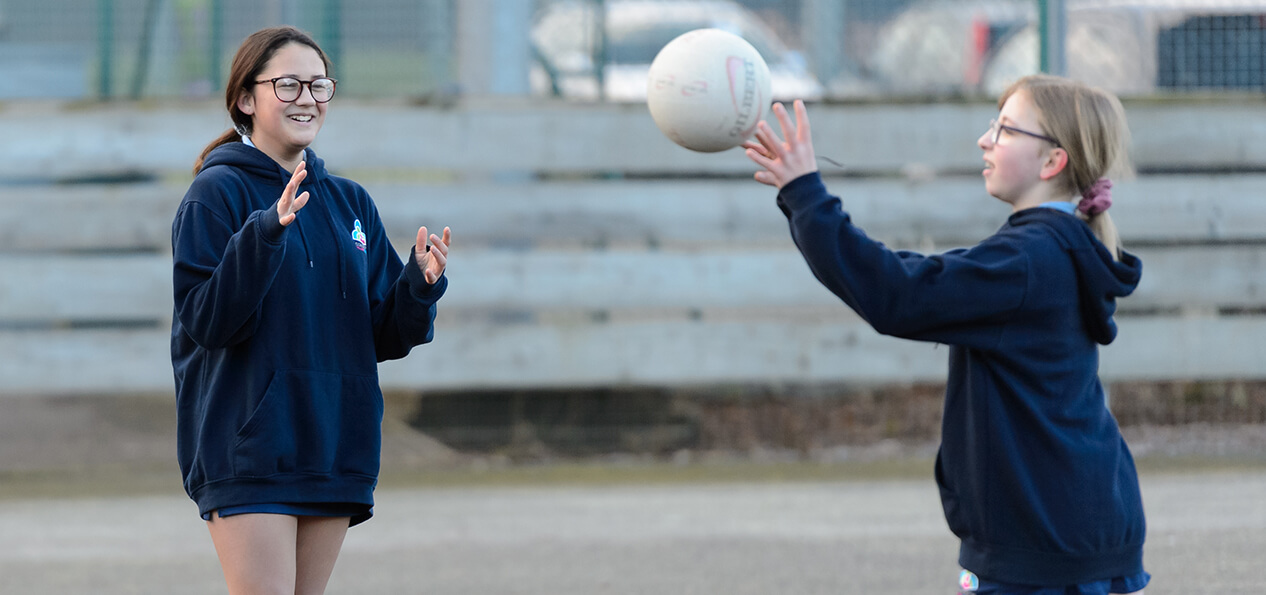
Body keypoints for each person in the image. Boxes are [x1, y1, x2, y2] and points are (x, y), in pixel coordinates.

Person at [743, 75, 1148, 594]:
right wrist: (804, 202)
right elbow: (918, 279)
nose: (985, 139)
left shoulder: (1030, 260)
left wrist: (806, 193)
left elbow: (899, 295)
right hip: (1083, 528)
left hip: (1044, 546)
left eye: (1004, 130)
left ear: (1052, 162)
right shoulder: (1048, 251)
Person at [170, 26, 450, 594]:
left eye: (320, 85)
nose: (307, 98)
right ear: (247, 99)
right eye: (289, 84)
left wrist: (417, 286)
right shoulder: (215, 194)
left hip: (332, 443)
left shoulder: (349, 202)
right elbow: (206, 320)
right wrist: (266, 233)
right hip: (251, 450)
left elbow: (379, 334)